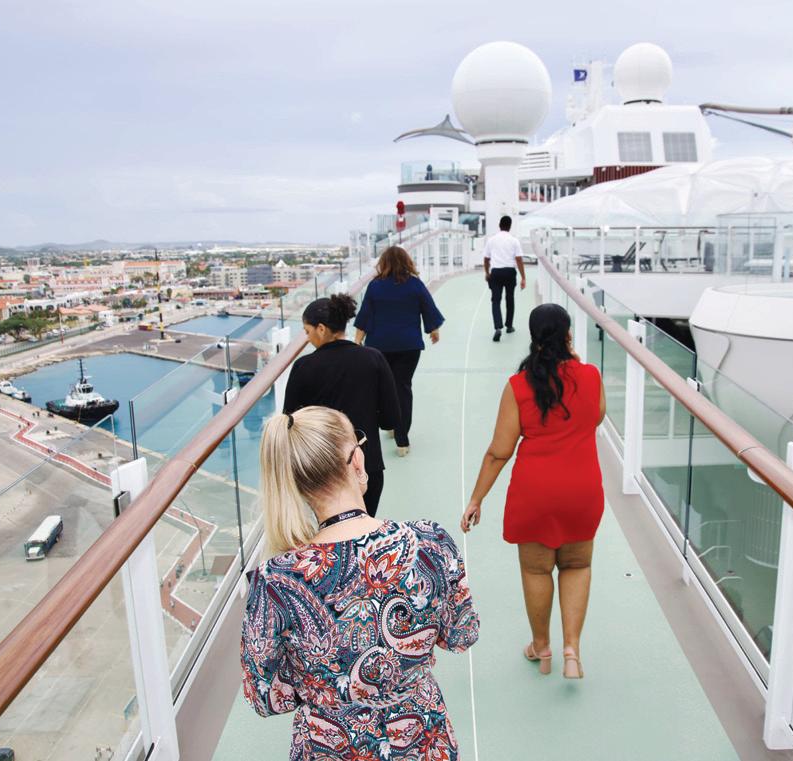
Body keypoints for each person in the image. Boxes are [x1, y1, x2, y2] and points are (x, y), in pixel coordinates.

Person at [242, 406, 479, 761]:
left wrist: (322, 683)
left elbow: (265, 697)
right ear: (356, 460)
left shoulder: (276, 579)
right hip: (421, 740)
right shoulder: (429, 541)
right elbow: (462, 634)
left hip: (328, 747)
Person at [460, 303, 604, 679]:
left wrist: (476, 498)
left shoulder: (520, 386)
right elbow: (596, 416)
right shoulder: (591, 376)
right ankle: (572, 649)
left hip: (535, 492)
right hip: (582, 490)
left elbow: (499, 451)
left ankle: (542, 647)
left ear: (533, 337)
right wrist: (575, 363)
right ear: (568, 335)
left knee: (537, 570)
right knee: (577, 564)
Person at [284, 294, 401, 516]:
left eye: (307, 331)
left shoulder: (304, 367)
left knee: (332, 531)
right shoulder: (373, 358)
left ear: (321, 329)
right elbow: (390, 419)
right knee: (365, 527)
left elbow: (290, 424)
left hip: (322, 471)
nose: (308, 338)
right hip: (367, 467)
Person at [354, 246, 445, 457]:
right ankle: (402, 440)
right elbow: (428, 307)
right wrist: (433, 330)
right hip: (409, 346)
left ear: (383, 263)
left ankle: (389, 424)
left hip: (379, 348)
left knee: (382, 388)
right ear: (407, 262)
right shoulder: (415, 284)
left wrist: (357, 341)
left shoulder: (375, 286)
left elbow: (365, 315)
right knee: (402, 388)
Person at [483, 215, 527, 342]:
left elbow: (486, 259)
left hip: (496, 272)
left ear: (499, 225)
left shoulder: (491, 240)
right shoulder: (514, 241)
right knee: (510, 298)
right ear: (510, 226)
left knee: (495, 300)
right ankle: (509, 326)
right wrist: (523, 277)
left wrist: (487, 272)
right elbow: (519, 259)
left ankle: (498, 327)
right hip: (509, 272)